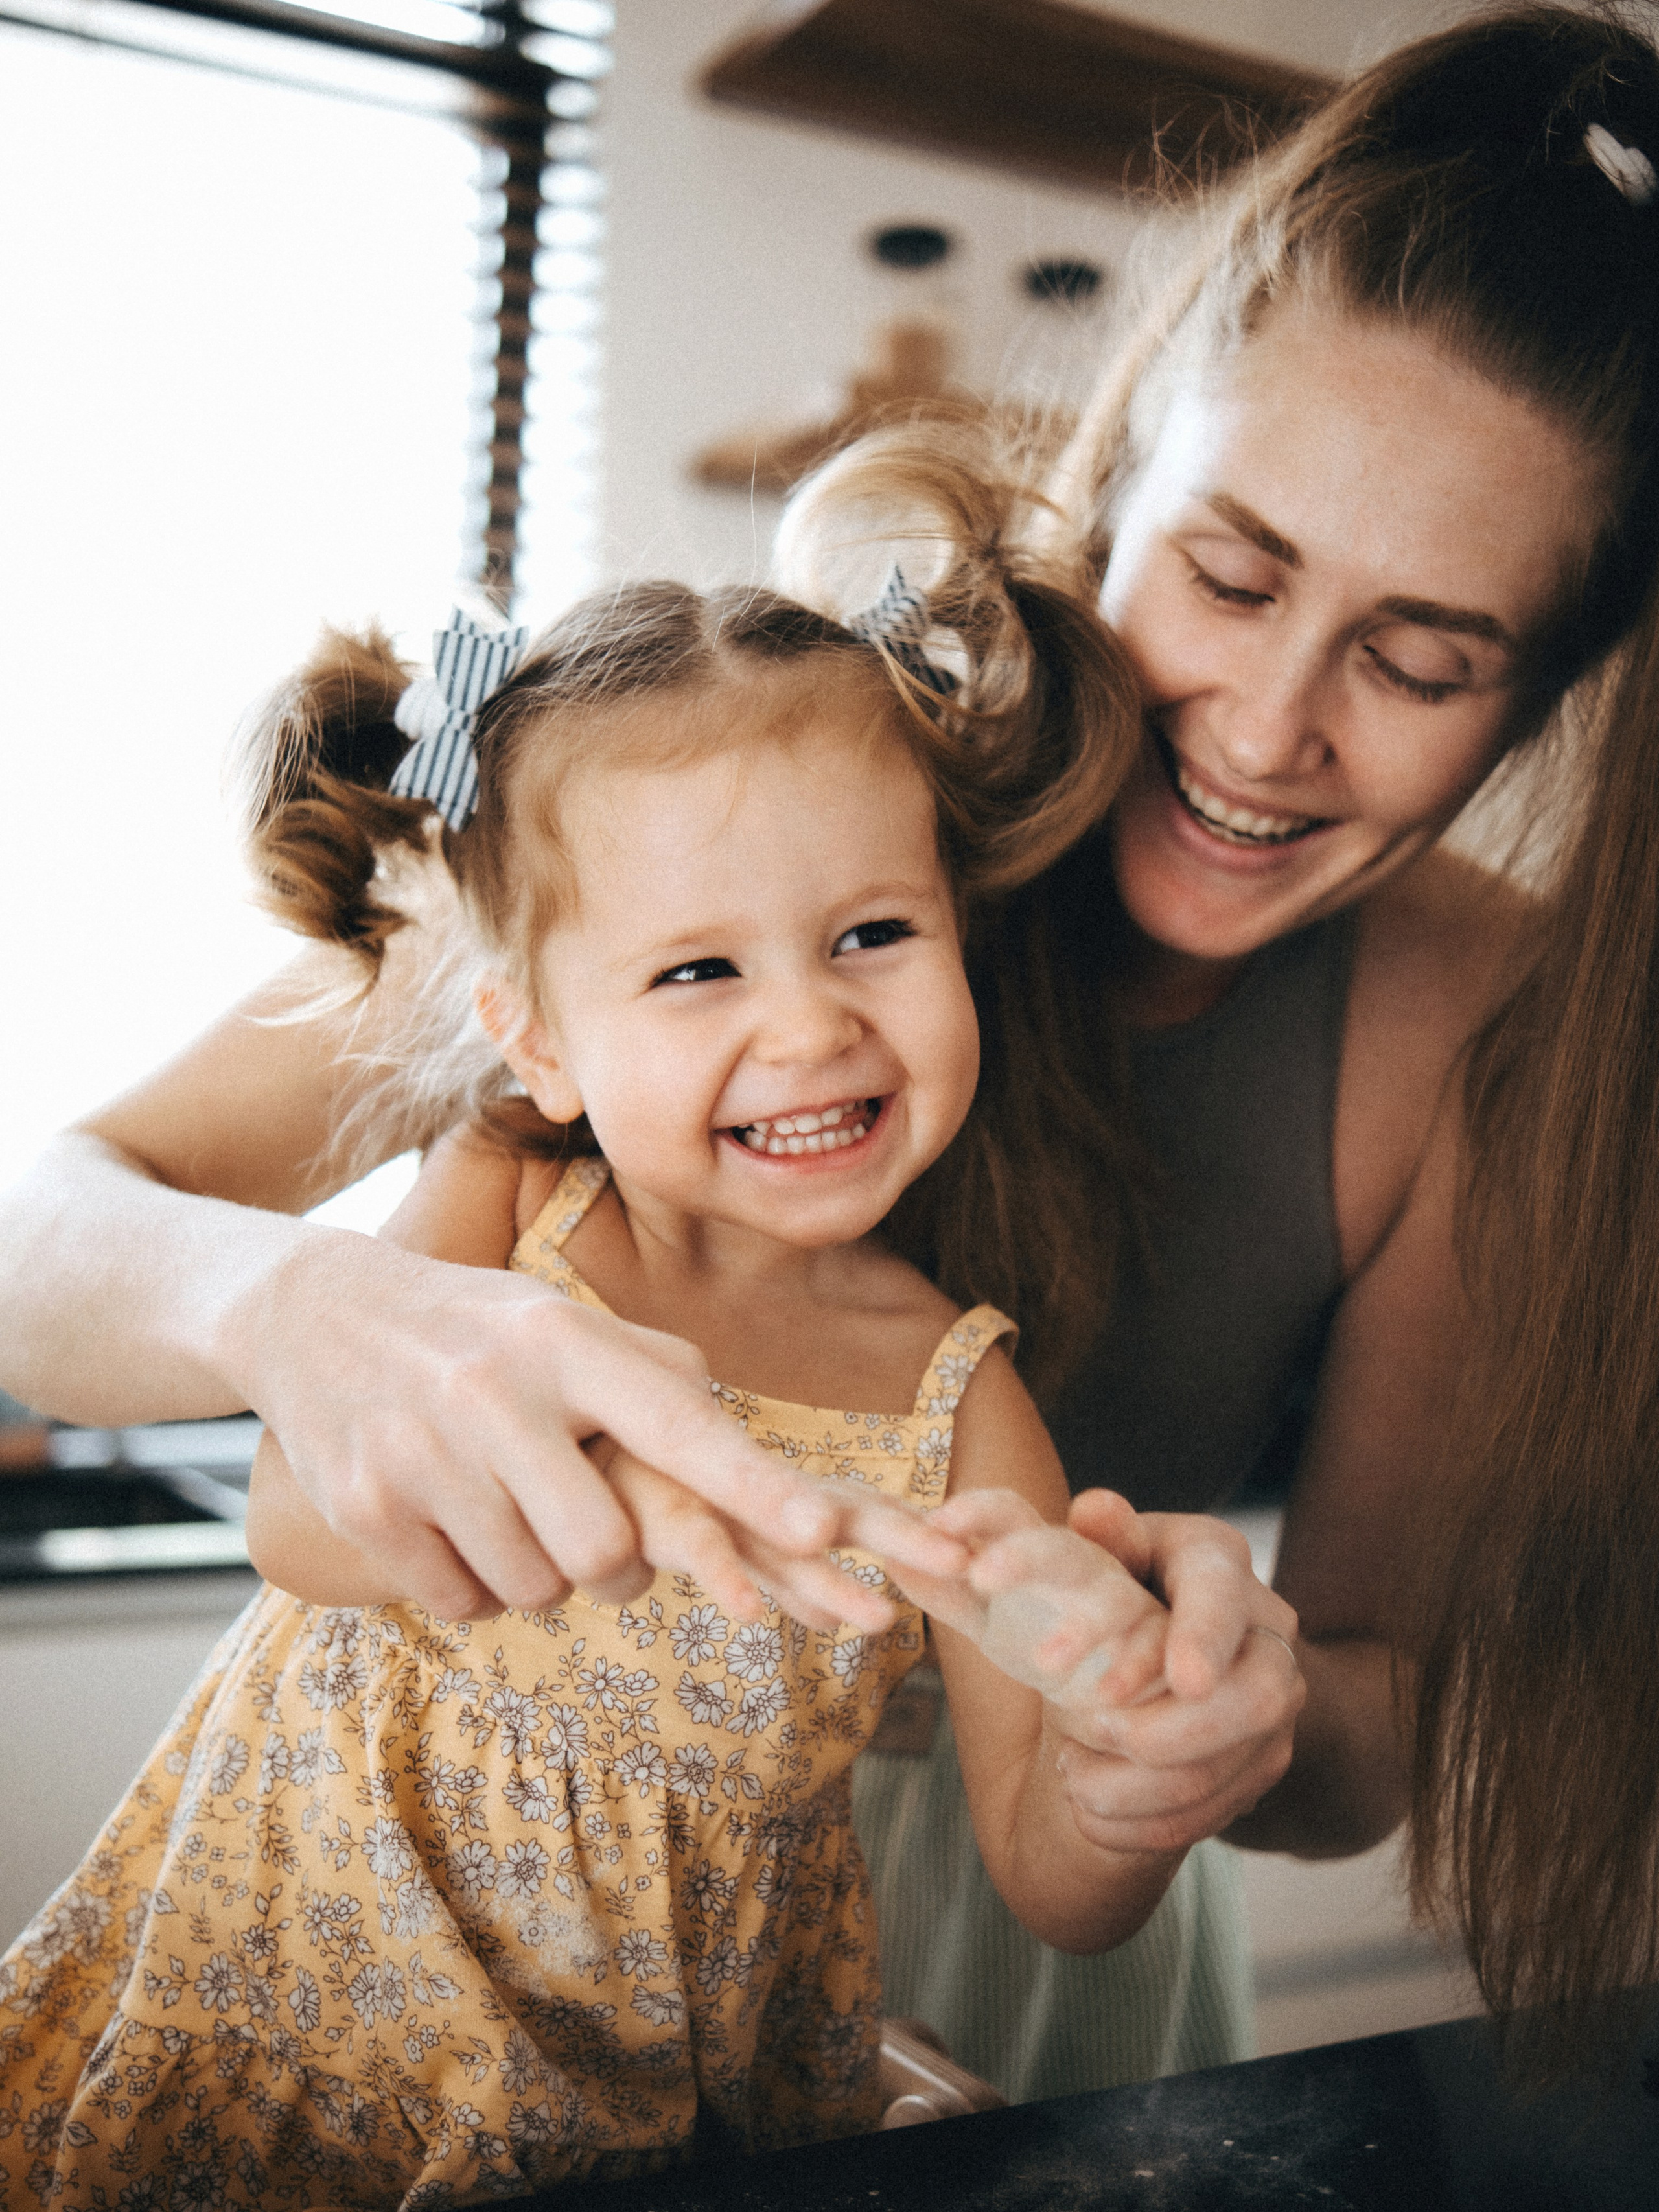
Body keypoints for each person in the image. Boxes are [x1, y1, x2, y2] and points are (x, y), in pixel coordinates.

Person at [1, 0, 1650, 2094]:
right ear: (1118, 481)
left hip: (1019, 1964)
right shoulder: (734, 803)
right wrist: (302, 1306)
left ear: (1542, 698)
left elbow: (1365, 1723)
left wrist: (1224, 1711)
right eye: (1230, 577)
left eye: (1423, 662)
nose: (1266, 725)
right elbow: (45, 1242)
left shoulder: (1482, 1040)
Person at [0, 559, 1217, 2204]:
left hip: (635, 2129)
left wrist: (1135, 1777)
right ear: (538, 1041)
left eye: (871, 934)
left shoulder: (956, 1401)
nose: (808, 1029)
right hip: (287, 2026)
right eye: (697, 972)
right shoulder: (512, 1206)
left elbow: (1049, 1873)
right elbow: (298, 1525)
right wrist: (611, 1504)